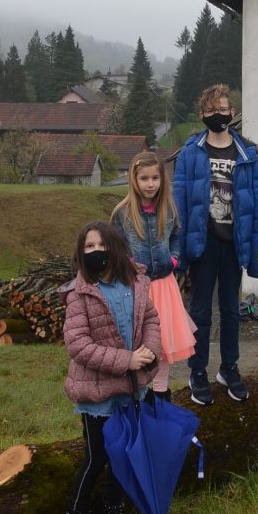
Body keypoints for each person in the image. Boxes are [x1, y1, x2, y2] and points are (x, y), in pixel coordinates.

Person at [60, 220, 160, 514]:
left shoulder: (136, 283)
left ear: (114, 247)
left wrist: (148, 352)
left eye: (101, 245)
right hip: (96, 392)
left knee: (123, 456)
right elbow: (78, 345)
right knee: (97, 457)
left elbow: (150, 320)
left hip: (130, 390)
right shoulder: (79, 293)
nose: (95, 251)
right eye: (88, 247)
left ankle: (111, 513)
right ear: (80, 253)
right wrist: (125, 360)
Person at [174, 84, 258, 406]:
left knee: (230, 310)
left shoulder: (246, 154)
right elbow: (180, 202)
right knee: (200, 311)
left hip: (234, 244)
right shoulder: (190, 154)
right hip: (203, 244)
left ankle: (229, 368)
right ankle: (197, 370)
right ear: (202, 115)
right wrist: (179, 247)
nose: (219, 114)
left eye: (224, 108)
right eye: (212, 110)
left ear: (233, 113)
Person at [112, 150, 196, 401]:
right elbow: (117, 246)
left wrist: (173, 259)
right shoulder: (122, 213)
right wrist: (128, 265)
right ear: (134, 181)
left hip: (164, 287)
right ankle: (140, 393)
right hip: (137, 289)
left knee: (164, 343)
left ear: (162, 180)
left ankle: (160, 394)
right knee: (141, 344)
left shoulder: (168, 209)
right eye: (144, 179)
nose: (150, 184)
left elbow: (176, 238)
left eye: (155, 178)